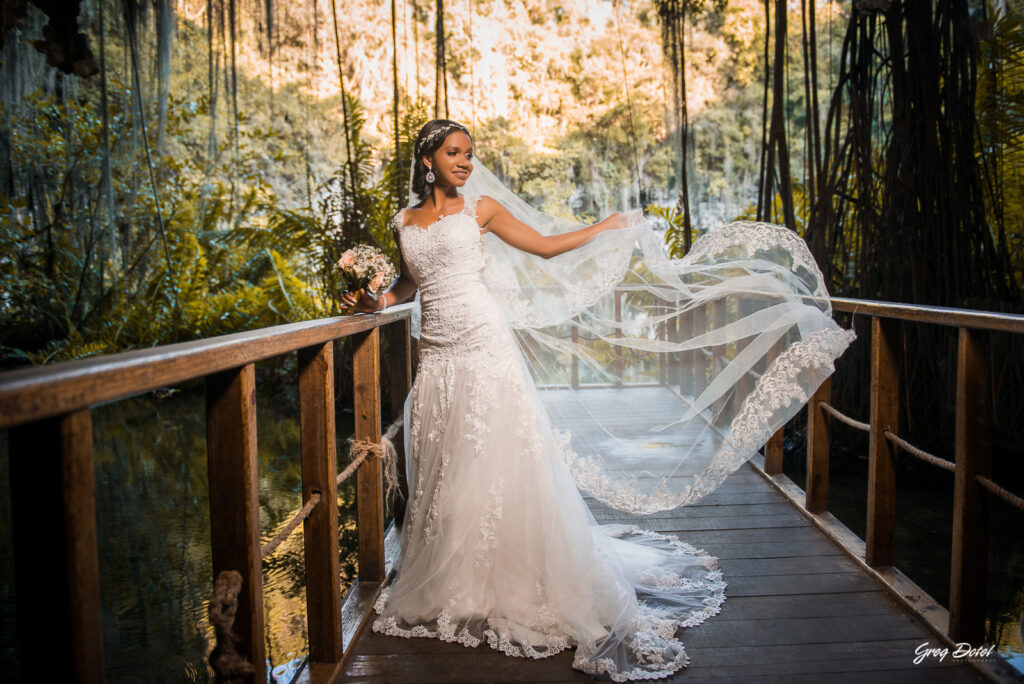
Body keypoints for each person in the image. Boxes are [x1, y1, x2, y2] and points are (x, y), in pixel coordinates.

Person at [340, 119, 854, 679]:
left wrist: (606, 226)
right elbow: (411, 288)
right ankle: (450, 575)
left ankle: (503, 579)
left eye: (469, 153)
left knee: (494, 455)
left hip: (484, 342)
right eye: (453, 153)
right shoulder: (405, 221)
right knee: (448, 457)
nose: (464, 162)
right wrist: (375, 301)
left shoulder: (480, 210)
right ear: (427, 161)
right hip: (436, 352)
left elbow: (545, 249)